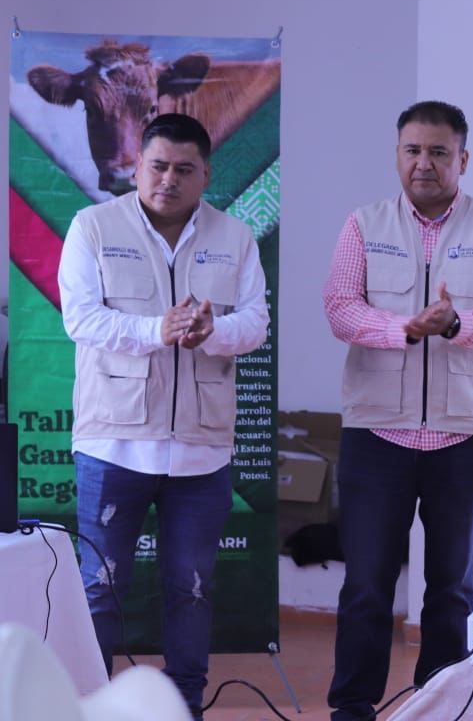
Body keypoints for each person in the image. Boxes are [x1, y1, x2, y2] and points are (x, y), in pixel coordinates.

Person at [324, 100, 473, 721]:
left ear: (463, 160)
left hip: (465, 434)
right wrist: (404, 328)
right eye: (413, 150)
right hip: (377, 433)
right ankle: (352, 708)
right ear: (397, 155)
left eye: (439, 152)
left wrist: (457, 323)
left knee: (452, 589)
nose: (424, 163)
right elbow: (340, 307)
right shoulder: (363, 225)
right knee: (366, 585)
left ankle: (438, 708)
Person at [58, 113, 269, 720]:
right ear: (136, 168)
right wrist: (159, 330)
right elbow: (81, 319)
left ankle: (184, 708)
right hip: (114, 445)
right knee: (100, 588)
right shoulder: (93, 226)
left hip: (202, 451)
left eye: (183, 169)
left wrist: (212, 331)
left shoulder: (236, 237)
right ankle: (88, 709)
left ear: (206, 175)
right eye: (157, 167)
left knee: (192, 590)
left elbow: (255, 323)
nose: (168, 180)